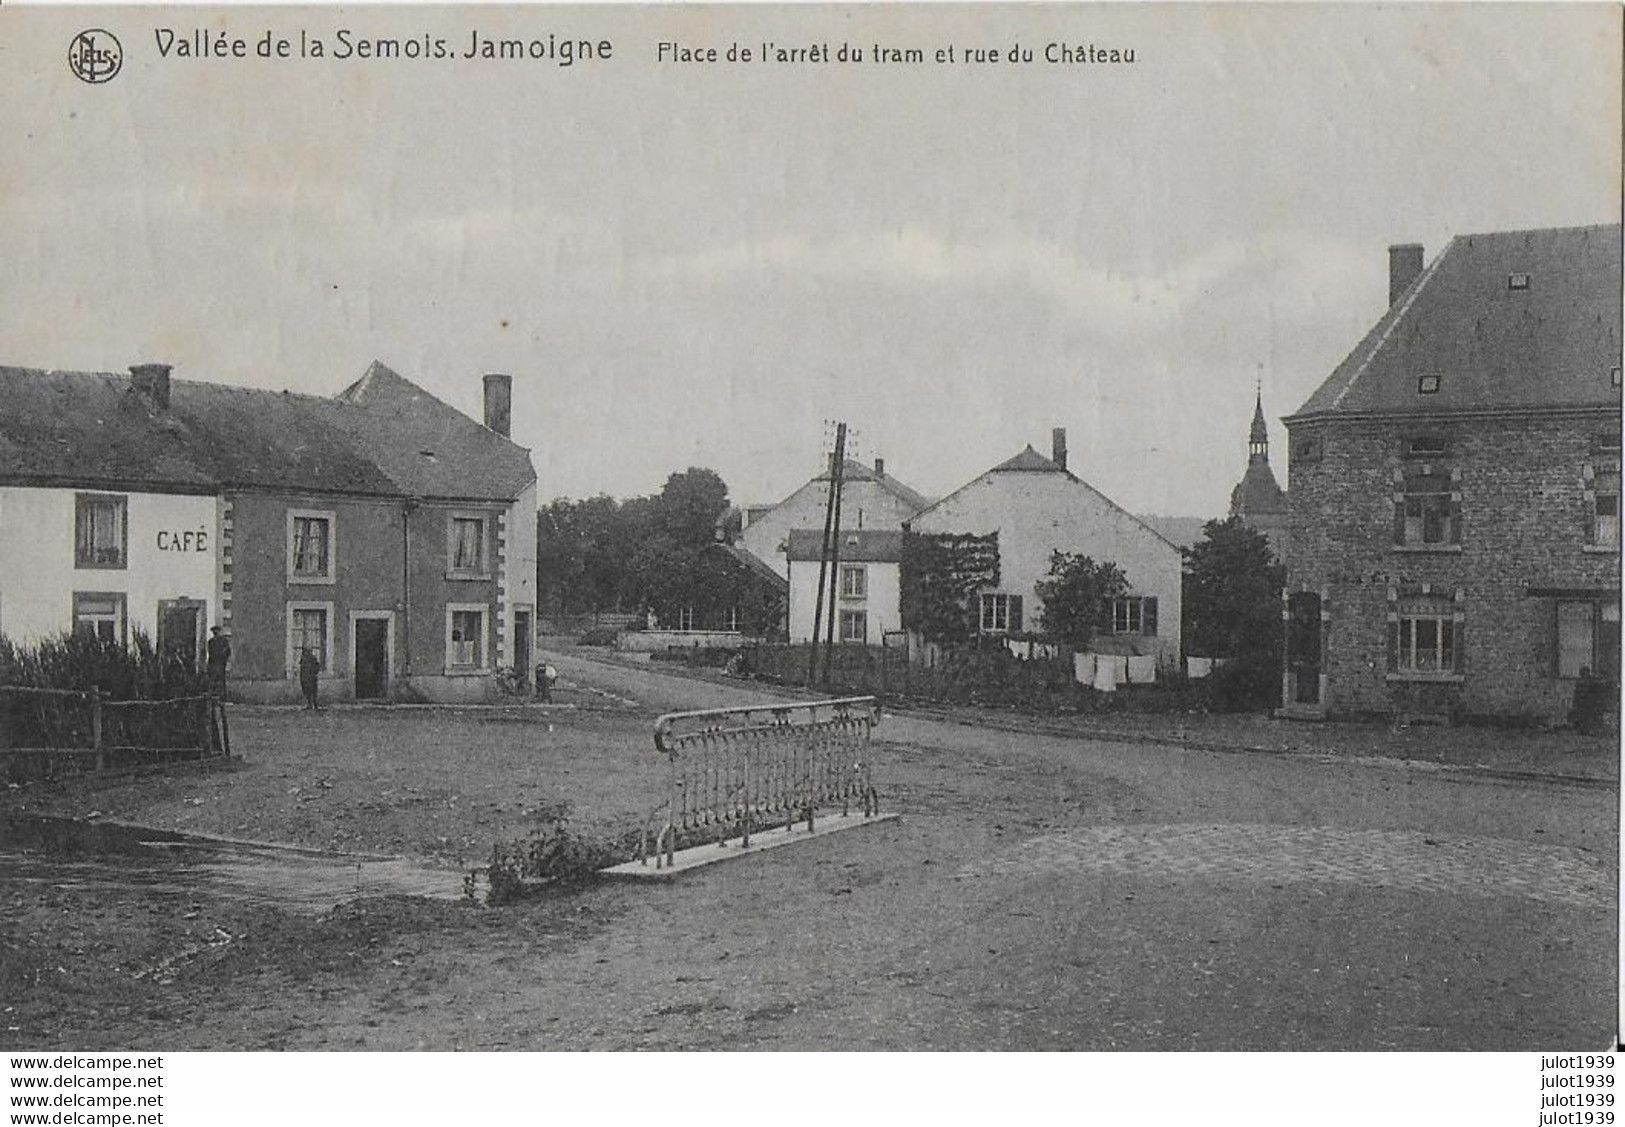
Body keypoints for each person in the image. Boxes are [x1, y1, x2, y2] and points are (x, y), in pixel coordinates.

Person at [205, 626, 231, 695]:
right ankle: (213, 696)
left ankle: (222, 696)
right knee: (212, 681)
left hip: (220, 664)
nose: (215, 632)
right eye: (214, 631)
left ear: (219, 631)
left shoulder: (224, 641)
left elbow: (228, 651)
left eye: (217, 631)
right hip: (213, 664)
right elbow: (210, 653)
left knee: (221, 680)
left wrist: (223, 660)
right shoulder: (210, 642)